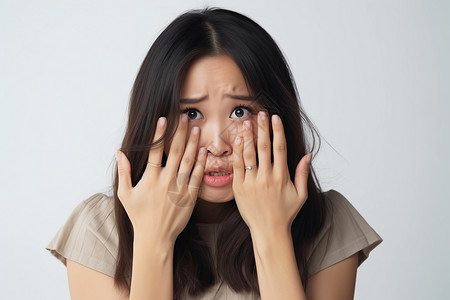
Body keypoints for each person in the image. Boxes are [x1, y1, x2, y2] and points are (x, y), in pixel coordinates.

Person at [47, 8, 382, 300]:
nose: (218, 144)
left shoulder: (327, 222)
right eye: (191, 113)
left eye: (240, 111)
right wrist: (154, 239)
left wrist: (270, 231)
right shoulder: (99, 230)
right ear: (153, 121)